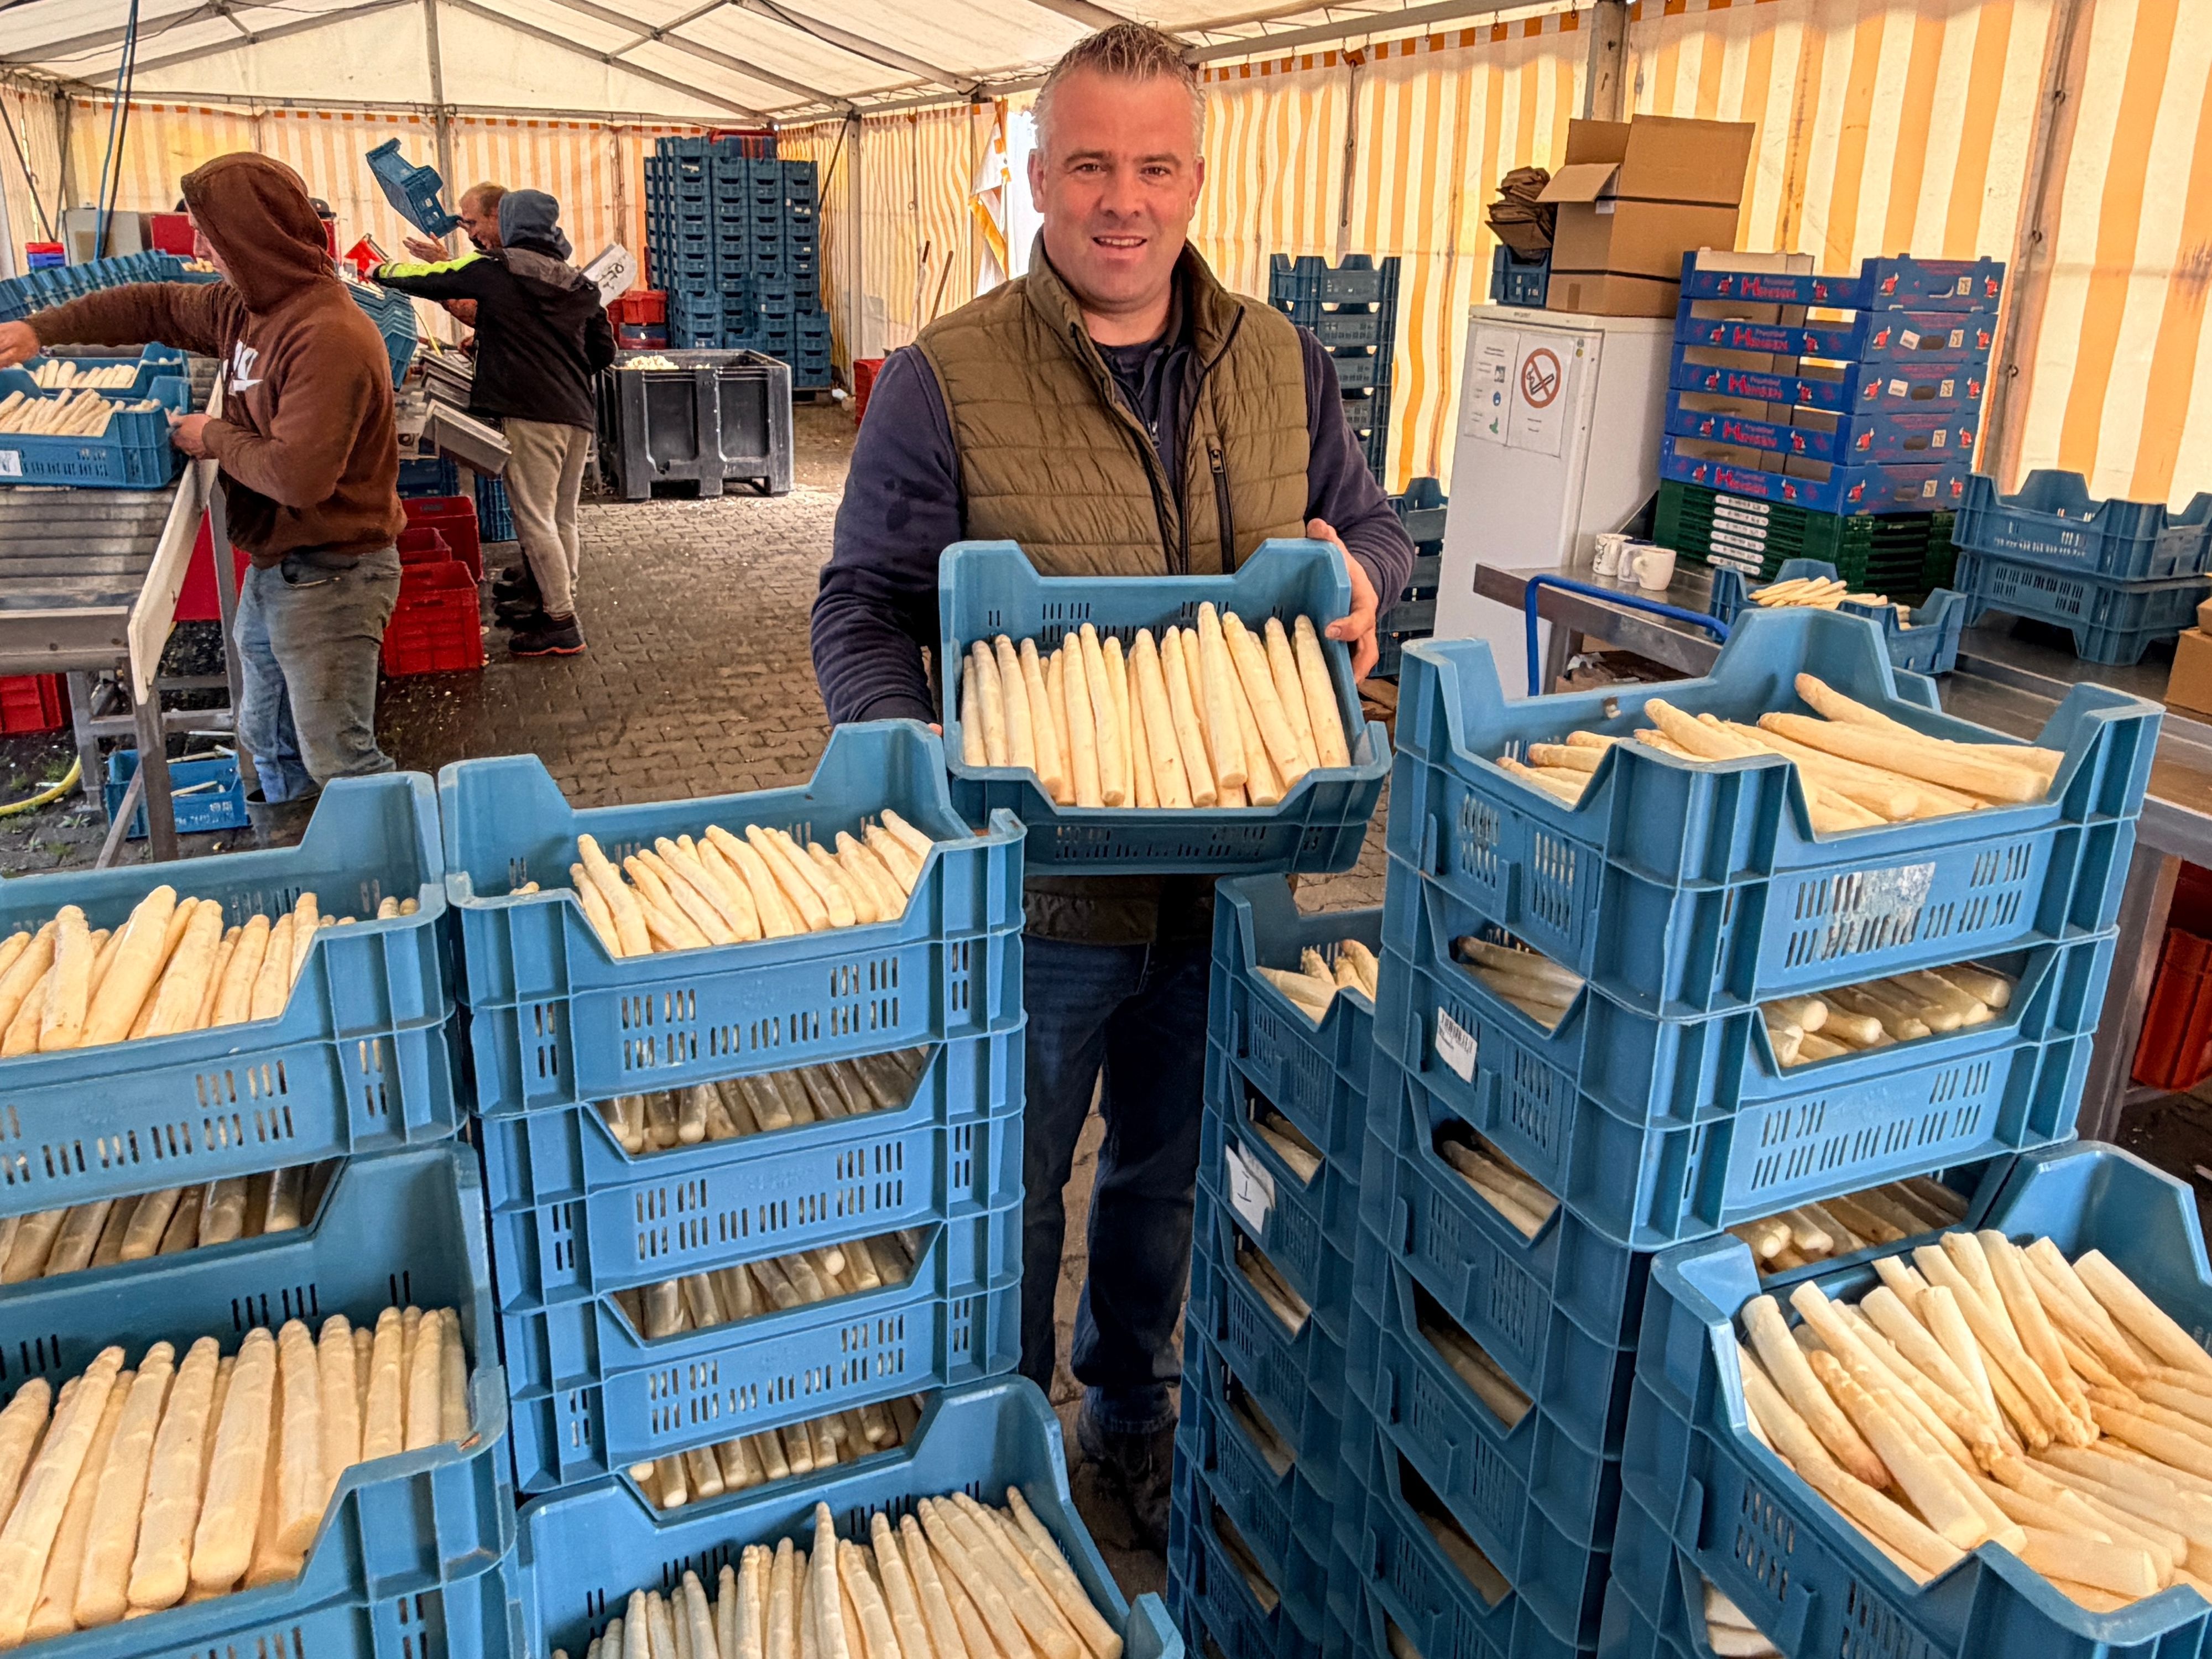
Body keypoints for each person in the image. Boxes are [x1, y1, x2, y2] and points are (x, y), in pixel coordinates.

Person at [808, 23, 1415, 1545]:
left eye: (1155, 166)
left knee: (1167, 1177)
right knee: (1004, 1194)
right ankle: (1001, 1456)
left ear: (1196, 177)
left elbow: (1371, 532)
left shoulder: (1280, 359)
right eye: (1091, 164)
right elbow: (861, 607)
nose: (1123, 200)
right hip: (1037, 890)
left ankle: (1129, 1419)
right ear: (1034, 174)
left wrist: (1368, 581)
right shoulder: (941, 380)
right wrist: (919, 766)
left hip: (1236, 876)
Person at [0, 153, 405, 843]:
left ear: (253, 238)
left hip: (333, 574)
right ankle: (299, 859)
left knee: (340, 757)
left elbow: (299, 478)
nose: (198, 250)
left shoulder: (325, 334)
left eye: (210, 237)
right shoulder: (250, 308)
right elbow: (155, 302)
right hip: (281, 568)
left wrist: (210, 434)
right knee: (267, 737)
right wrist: (43, 331)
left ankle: (395, 870)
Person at [377, 188, 614, 658]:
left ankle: (562, 622)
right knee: (562, 516)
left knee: (534, 520)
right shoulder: (579, 284)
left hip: (530, 413)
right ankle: (555, 601)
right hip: (577, 413)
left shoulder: (497, 270)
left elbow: (435, 279)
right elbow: (603, 352)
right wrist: (552, 358)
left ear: (509, 221)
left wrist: (380, 270)